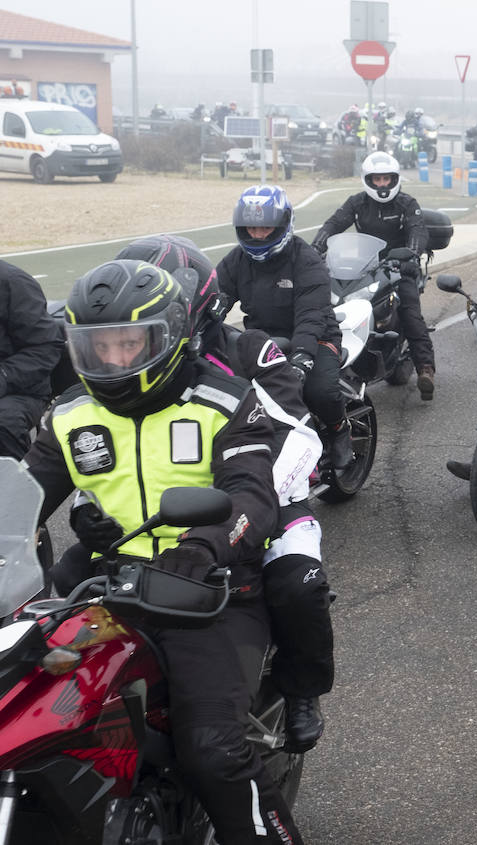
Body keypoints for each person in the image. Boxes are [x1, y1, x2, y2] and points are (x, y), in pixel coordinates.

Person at [23, 259, 306, 844]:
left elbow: (250, 494)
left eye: (130, 344)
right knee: (30, 722)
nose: (114, 360)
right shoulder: (71, 414)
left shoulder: (226, 401)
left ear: (171, 334)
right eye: (97, 348)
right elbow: (23, 493)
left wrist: (204, 547)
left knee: (213, 750)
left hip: (211, 592)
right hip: (106, 591)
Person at [110, 234, 336, 753]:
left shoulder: (250, 349)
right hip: (162, 512)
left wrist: (249, 504)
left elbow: (296, 429)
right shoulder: (131, 365)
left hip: (267, 493)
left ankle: (301, 688)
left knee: (298, 584)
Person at [216, 185, 354, 467]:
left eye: (265, 227)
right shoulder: (236, 260)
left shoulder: (306, 260)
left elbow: (311, 314)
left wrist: (303, 357)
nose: (257, 234)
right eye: (250, 228)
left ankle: (340, 430)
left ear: (282, 224)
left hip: (315, 338)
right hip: (261, 340)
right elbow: (215, 299)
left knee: (320, 392)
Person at [311, 152, 436, 400]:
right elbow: (333, 224)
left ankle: (425, 368)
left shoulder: (407, 204)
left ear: (394, 179)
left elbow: (417, 231)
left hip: (399, 268)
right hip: (363, 266)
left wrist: (411, 255)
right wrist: (315, 249)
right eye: (376, 179)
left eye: (386, 179)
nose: (381, 184)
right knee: (331, 306)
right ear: (368, 180)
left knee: (410, 312)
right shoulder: (356, 203)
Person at [0, 260, 64, 459]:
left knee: (4, 420)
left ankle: (14, 487)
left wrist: (3, 376)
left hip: (20, 389)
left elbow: (46, 346)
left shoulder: (12, 282)